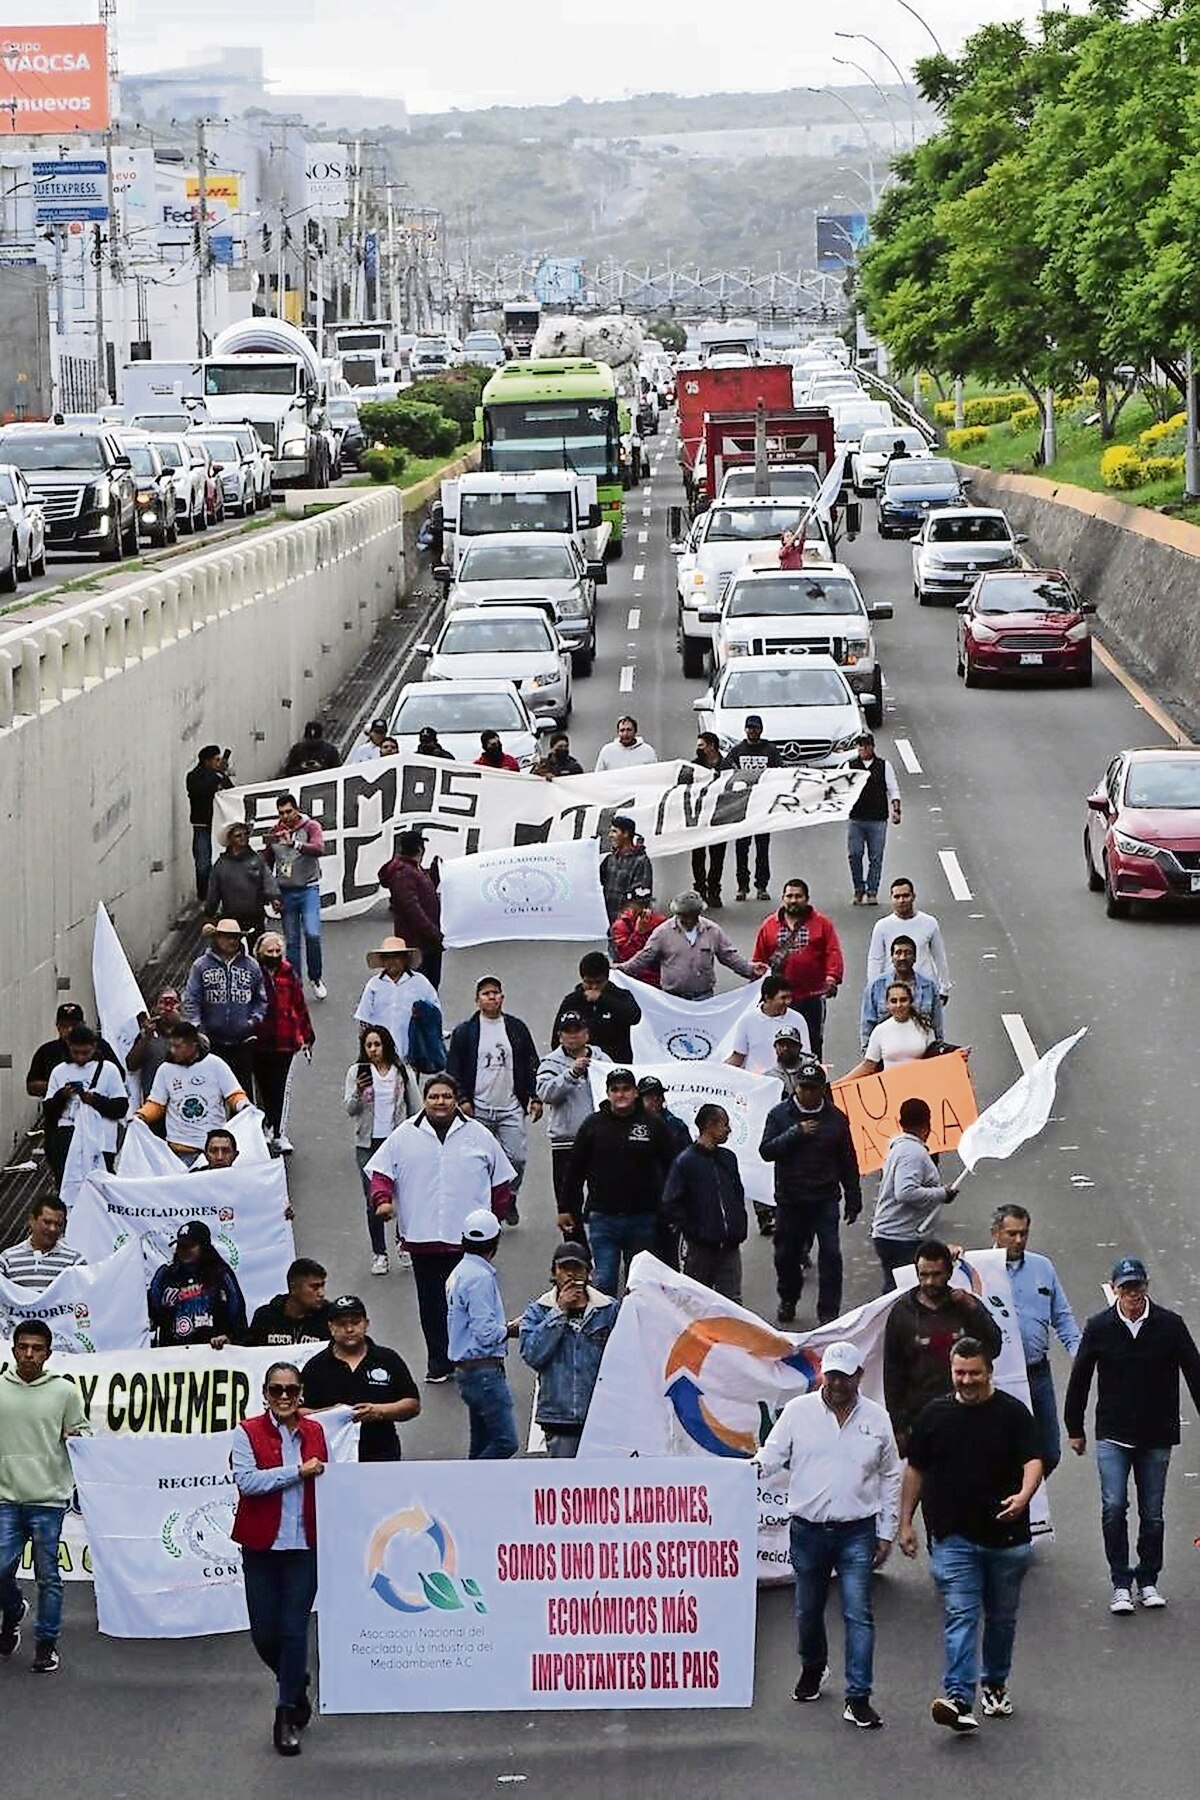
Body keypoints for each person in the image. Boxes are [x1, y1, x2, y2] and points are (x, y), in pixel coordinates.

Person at [899, 1337, 1043, 1731]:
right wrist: (906, 1522)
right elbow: (916, 1469)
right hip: (954, 1537)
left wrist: (1024, 1495)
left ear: (989, 1372)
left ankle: (994, 1683)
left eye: (974, 1373)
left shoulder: (1013, 1414)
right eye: (960, 1373)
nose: (966, 1381)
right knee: (961, 1613)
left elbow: (1033, 1460)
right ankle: (959, 1698)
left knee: (1001, 1617)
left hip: (1006, 1538)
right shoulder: (934, 1415)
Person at [757, 1340, 901, 1730]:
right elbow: (771, 1455)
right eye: (831, 1376)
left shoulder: (877, 1419)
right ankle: (813, 1665)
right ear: (823, 1374)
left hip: (858, 1531)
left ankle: (859, 1696)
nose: (837, 1384)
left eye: (845, 1377)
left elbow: (891, 1475)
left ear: (859, 1376)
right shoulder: (798, 1412)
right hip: (808, 1531)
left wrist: (887, 1531)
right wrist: (743, 1474)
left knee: (858, 1613)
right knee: (807, 1610)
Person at [1064, 1256, 1200, 1613]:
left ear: (1146, 1287)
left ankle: (1148, 1579)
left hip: (1157, 1434)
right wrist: (1074, 1427)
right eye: (1126, 1288)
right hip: (1114, 1433)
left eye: (1137, 1286)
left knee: (1152, 1513)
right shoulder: (1100, 1327)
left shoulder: (1170, 1325)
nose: (1133, 1294)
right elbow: (1080, 1378)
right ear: (1115, 1290)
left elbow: (1194, 1372)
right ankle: (1121, 1582)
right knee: (1114, 1507)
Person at [366, 1074, 515, 1382]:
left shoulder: (479, 1135)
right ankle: (439, 1362)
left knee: (471, 1302)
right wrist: (382, 1200)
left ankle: (472, 1360)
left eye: (446, 1096)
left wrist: (493, 1222)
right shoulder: (404, 1135)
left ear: (455, 1099)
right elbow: (380, 1174)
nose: (440, 1102)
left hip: (469, 1242)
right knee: (432, 1304)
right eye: (434, 1096)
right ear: (424, 1099)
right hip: (423, 1237)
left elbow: (501, 1182)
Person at [230, 1362, 327, 1756]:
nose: (284, 1397)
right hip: (261, 1547)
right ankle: (295, 1681)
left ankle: (285, 1713)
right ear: (265, 1394)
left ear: (301, 1393)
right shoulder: (247, 1431)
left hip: (305, 1546)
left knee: (293, 1629)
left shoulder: (315, 1431)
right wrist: (297, 1472)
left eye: (291, 1390)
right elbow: (248, 1482)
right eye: (276, 1390)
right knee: (264, 1635)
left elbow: (330, 1480)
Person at [0, 1318, 87, 1675]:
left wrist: (76, 1436)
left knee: (48, 1575)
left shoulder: (65, 1392)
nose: (29, 1354)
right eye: (23, 1347)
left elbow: (83, 1435)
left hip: (48, 1500)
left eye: (37, 1349)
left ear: (48, 1354)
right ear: (13, 1350)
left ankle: (46, 1643)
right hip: (5, 1498)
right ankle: (14, 1611)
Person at [760, 1061, 861, 1326]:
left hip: (824, 1198)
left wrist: (853, 1196)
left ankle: (828, 1313)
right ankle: (788, 1298)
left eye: (812, 1088)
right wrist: (794, 1133)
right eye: (802, 1087)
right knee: (787, 1255)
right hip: (790, 1198)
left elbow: (848, 1160)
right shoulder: (779, 1115)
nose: (806, 1093)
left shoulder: (836, 1119)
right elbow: (766, 1150)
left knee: (831, 1255)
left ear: (822, 1090)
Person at [882, 1240, 1003, 1457]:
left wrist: (973, 1309)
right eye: (924, 1275)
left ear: (949, 1273)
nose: (930, 1281)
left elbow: (994, 1347)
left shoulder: (965, 1306)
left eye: (936, 1274)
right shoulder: (902, 1313)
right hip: (922, 1418)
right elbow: (893, 1372)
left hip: (968, 1414)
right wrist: (899, 1426)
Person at [564, 1068, 677, 1299]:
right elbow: (574, 1170)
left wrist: (672, 1209)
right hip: (603, 1219)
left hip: (643, 1218)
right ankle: (606, 1322)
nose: (621, 1094)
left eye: (626, 1089)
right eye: (615, 1090)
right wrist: (565, 1208)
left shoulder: (653, 1124)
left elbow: (672, 1169)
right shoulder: (593, 1125)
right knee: (604, 1281)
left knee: (639, 1285)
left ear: (635, 1093)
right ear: (607, 1094)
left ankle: (634, 1321)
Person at [989, 1205, 1079, 1479]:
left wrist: (1080, 1353)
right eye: (1012, 1234)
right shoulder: (978, 1268)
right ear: (995, 1233)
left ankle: (1025, 1494)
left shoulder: (1042, 1267)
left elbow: (1061, 1315)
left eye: (1024, 1234)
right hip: (999, 1375)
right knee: (1001, 1450)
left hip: (1037, 1371)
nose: (1019, 1240)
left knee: (1049, 1451)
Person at [446, 977, 541, 1225]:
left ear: (502, 997)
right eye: (486, 993)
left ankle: (509, 1196)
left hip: (511, 1106)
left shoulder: (516, 1028)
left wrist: (535, 1096)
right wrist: (462, 1099)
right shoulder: (465, 1032)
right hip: (478, 1109)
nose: (492, 997)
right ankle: (485, 1205)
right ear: (477, 1000)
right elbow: (453, 1070)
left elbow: (532, 1063)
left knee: (517, 1158)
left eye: (496, 992)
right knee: (479, 1162)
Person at [519, 1242, 620, 1457]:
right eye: (565, 1269)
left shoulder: (608, 1310)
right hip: (559, 1417)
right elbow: (532, 1355)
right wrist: (559, 1311)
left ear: (588, 1273)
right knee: (564, 1475)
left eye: (577, 1268)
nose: (571, 1275)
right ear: (554, 1273)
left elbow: (623, 1359)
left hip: (600, 1416)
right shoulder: (538, 1311)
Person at [300, 1296, 420, 1461]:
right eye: (342, 1324)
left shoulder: (388, 1359)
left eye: (355, 1322)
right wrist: (331, 1413)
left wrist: (379, 1411)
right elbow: (299, 1412)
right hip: (332, 1454)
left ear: (366, 1324)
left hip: (382, 1453)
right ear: (331, 1327)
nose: (349, 1329)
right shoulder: (316, 1366)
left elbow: (412, 1404)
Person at [344, 1025, 420, 1275]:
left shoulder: (401, 1071)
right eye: (369, 1045)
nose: (374, 1050)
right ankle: (379, 1253)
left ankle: (403, 1241)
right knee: (374, 1199)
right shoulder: (357, 1072)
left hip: (396, 1142)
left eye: (377, 1044)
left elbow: (415, 1107)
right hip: (368, 1144)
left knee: (403, 1194)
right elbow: (350, 1108)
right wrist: (358, 1091)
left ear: (386, 1045)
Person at [446, 1211, 519, 1460]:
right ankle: (466, 1480)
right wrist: (511, 1329)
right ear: (495, 1242)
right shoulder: (480, 1278)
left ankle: (472, 1482)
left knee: (480, 1443)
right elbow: (485, 1333)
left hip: (467, 1371)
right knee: (505, 1442)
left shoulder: (459, 1273)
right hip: (484, 1371)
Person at [871, 1098, 959, 1292]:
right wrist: (941, 1194)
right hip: (900, 1237)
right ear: (928, 1124)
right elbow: (905, 1192)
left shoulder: (901, 1149)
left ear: (900, 1122)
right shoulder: (912, 1152)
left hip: (898, 1234)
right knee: (902, 1293)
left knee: (901, 1290)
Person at [536, 1011, 610, 1241]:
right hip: (566, 1141)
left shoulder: (602, 1059)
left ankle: (601, 1242)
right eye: (567, 1031)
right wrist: (571, 1074)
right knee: (568, 1200)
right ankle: (575, 1250)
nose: (573, 1035)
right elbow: (545, 1093)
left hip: (599, 1141)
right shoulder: (550, 1063)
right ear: (560, 1036)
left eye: (577, 1030)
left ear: (586, 1033)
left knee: (603, 1194)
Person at [662, 1105, 748, 1301]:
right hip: (701, 1248)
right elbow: (671, 1202)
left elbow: (737, 1194)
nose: (729, 1130)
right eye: (725, 1124)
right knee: (698, 1300)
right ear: (710, 1125)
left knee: (732, 1300)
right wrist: (693, 1231)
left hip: (730, 1244)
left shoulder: (728, 1158)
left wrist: (738, 1225)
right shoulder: (686, 1162)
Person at [752, 879, 844, 1061]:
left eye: (798, 896)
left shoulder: (822, 924)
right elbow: (759, 959)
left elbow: (832, 952)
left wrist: (832, 977)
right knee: (777, 1041)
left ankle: (813, 1075)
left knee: (812, 1039)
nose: (793, 900)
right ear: (783, 898)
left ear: (807, 899)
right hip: (778, 998)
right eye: (789, 896)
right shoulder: (769, 925)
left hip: (811, 996)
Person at [137, 1021, 249, 1164]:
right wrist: (141, 1116)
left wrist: (243, 1106)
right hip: (179, 1152)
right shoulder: (165, 1069)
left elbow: (233, 1095)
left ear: (193, 1045)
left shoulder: (215, 1064)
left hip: (212, 1153)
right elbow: (156, 1104)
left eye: (178, 1046)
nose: (172, 1050)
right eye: (171, 1046)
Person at [621, 890, 765, 1000]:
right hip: (672, 999)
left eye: (692, 916)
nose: (688, 920)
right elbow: (645, 956)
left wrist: (750, 969)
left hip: (703, 998)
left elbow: (729, 956)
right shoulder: (662, 932)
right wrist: (622, 970)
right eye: (684, 916)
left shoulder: (713, 930)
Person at [181, 919, 267, 1092]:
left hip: (243, 1041)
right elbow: (191, 998)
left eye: (236, 937)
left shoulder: (251, 966)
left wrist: (253, 1021)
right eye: (227, 937)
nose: (232, 941)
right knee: (212, 1090)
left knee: (242, 1090)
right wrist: (196, 1028)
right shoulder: (201, 966)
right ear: (217, 938)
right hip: (211, 1042)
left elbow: (261, 999)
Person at [41, 1025, 127, 1183]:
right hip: (68, 1137)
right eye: (75, 1052)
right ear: (69, 1046)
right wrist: (61, 1096)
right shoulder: (59, 1071)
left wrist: (95, 1100)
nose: (80, 1058)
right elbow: (48, 1111)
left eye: (85, 1053)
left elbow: (121, 1108)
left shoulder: (109, 1070)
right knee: (68, 1184)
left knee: (100, 1186)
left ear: (94, 1047)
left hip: (101, 1140)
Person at [252, 931, 314, 1154]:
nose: (274, 955)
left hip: (285, 1040)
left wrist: (307, 1035)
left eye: (278, 951)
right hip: (258, 1040)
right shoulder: (253, 973)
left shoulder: (288, 973)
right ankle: (265, 1126)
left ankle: (279, 1133)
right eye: (269, 951)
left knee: (281, 1089)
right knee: (262, 1088)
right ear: (259, 953)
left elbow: (299, 1004)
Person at [263, 795, 327, 1000]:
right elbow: (266, 864)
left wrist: (296, 844)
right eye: (281, 813)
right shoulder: (274, 832)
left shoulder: (311, 827)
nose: (285, 816)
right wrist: (272, 894)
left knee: (312, 933)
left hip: (308, 888)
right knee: (291, 941)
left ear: (297, 809)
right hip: (286, 891)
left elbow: (319, 848)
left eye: (289, 811)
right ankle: (295, 984)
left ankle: (315, 977)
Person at [147, 1220, 248, 1347]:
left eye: (190, 1246)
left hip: (213, 1351)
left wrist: (231, 1338)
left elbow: (237, 1311)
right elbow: (149, 1313)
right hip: (173, 1352)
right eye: (180, 1246)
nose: (184, 1250)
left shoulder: (221, 1273)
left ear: (204, 1247)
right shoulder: (166, 1274)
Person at [354, 937, 442, 1071]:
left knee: (409, 1083)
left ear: (405, 959)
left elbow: (435, 1013)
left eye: (396, 957)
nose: (392, 961)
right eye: (387, 958)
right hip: (381, 1055)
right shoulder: (374, 985)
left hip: (411, 1053)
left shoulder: (420, 982)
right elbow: (364, 1021)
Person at [376, 830, 444, 990]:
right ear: (420, 849)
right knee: (420, 988)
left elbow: (424, 891)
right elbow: (413, 910)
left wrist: (434, 873)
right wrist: (434, 932)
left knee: (429, 986)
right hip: (418, 944)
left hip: (426, 942)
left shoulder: (412, 870)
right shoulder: (404, 873)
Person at [866, 878, 950, 1007]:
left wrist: (944, 987)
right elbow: (875, 959)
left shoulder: (929, 923)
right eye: (897, 897)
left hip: (924, 989)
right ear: (891, 898)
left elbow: (939, 956)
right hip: (894, 991)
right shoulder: (882, 926)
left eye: (905, 896)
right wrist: (873, 988)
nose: (901, 900)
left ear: (913, 896)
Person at [725, 714, 782, 903]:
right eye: (749, 728)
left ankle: (761, 886)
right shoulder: (737, 751)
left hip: (762, 807)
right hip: (742, 808)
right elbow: (725, 772)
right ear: (745, 729)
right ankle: (742, 886)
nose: (752, 731)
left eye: (755, 728)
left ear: (761, 730)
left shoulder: (770, 750)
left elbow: (780, 773)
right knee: (741, 850)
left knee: (762, 849)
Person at [859, 935, 944, 1052]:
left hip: (922, 1053)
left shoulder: (929, 987)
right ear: (892, 957)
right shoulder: (876, 986)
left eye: (907, 953)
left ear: (915, 958)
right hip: (888, 1054)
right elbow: (868, 1024)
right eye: (898, 953)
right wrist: (868, 1053)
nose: (902, 957)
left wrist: (940, 1051)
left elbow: (937, 1025)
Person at [552, 951, 642, 1062]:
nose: (593, 987)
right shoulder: (572, 1001)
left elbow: (634, 1017)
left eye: (599, 982)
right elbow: (556, 1038)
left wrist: (603, 999)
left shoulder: (621, 996)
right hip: (582, 1064)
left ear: (606, 979)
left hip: (615, 1063)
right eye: (589, 983)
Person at [846, 732, 901, 907]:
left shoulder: (884, 766)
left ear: (872, 747)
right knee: (855, 854)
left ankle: (872, 890)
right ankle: (858, 888)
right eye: (860, 746)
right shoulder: (850, 765)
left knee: (875, 856)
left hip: (877, 818)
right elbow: (841, 787)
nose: (862, 749)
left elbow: (893, 788)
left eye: (866, 745)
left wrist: (896, 809)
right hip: (856, 818)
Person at [24, 1001, 118, 1101]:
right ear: (58, 1027)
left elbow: (118, 1076)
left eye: (74, 1025)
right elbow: (31, 1086)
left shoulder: (100, 1046)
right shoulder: (47, 1051)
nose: (70, 1030)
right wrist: (57, 1086)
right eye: (65, 1026)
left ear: (83, 1024)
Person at [204, 821, 278, 943]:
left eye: (245, 834)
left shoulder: (257, 859)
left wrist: (274, 898)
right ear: (230, 839)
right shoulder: (221, 865)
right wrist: (209, 914)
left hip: (255, 916)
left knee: (257, 948)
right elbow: (213, 892)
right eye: (238, 835)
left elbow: (268, 879)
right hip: (231, 918)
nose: (243, 838)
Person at [844, 983, 938, 1077]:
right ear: (887, 1005)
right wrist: (839, 1083)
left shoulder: (925, 1028)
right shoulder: (880, 1031)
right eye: (893, 1001)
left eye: (903, 1000)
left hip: (920, 1082)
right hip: (890, 1084)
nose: (899, 1005)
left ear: (911, 1002)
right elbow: (868, 1065)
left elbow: (936, 1061)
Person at [726, 974, 810, 1072]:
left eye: (789, 997)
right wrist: (717, 1072)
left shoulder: (798, 1020)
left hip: (785, 1079)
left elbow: (805, 1056)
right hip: (755, 1079)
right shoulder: (747, 1020)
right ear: (767, 998)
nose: (788, 1002)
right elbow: (738, 1056)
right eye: (783, 998)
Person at [0, 1198, 85, 1292]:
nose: (52, 1229)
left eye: (58, 1224)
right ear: (32, 1220)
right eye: (47, 1222)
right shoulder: (7, 1259)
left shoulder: (75, 1261)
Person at [246, 1258, 333, 1346]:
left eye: (322, 1286)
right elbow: (250, 1351)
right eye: (315, 1287)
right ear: (293, 1287)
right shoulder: (265, 1317)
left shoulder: (330, 1318)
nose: (321, 1293)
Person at [186, 744, 232, 901]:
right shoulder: (194, 777)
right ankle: (204, 897)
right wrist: (217, 775)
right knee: (203, 864)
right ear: (207, 761)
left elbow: (231, 792)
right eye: (216, 760)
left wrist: (221, 776)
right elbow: (201, 790)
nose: (219, 762)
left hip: (219, 826)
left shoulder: (219, 776)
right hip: (203, 827)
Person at [124, 988, 182, 1103]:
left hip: (183, 1096)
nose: (168, 1007)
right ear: (155, 1008)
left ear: (181, 1007)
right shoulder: (147, 1033)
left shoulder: (189, 1033)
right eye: (163, 1002)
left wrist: (180, 1024)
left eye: (173, 1002)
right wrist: (146, 1037)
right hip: (154, 1098)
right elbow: (131, 1065)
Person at [690, 731, 728, 907]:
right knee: (698, 856)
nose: (698, 749)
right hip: (699, 817)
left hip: (719, 816)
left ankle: (714, 890)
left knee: (717, 857)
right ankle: (700, 889)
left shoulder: (727, 766)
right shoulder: (694, 766)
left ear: (711, 746)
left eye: (701, 745)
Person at [599, 816, 655, 926]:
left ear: (626, 834)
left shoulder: (641, 861)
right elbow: (596, 885)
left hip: (626, 926)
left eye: (614, 831)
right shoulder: (610, 859)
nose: (610, 835)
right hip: (607, 922)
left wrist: (624, 924)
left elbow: (640, 898)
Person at [612, 885, 668, 978]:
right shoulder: (621, 925)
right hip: (633, 974)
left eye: (647, 904)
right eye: (639, 905)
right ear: (630, 904)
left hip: (657, 974)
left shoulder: (660, 921)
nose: (644, 909)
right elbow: (625, 955)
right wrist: (639, 933)